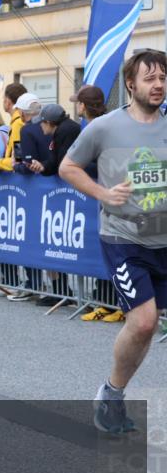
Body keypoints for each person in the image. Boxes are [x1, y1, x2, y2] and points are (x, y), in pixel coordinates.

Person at [59, 50, 167, 436]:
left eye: (162, 78)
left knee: (146, 328)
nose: (158, 85)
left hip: (164, 239)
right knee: (144, 320)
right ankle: (112, 393)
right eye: (150, 78)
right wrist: (103, 194)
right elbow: (67, 167)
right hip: (123, 238)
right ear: (131, 84)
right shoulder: (103, 127)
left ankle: (114, 394)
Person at [0, 86, 32, 172]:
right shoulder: (21, 121)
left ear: (8, 101)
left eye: (3, 98)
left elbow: (18, 158)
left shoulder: (18, 123)